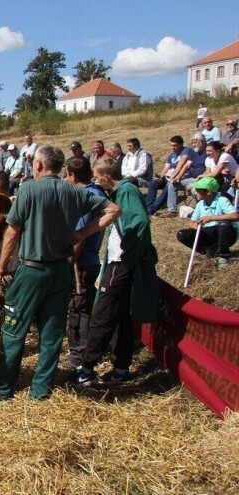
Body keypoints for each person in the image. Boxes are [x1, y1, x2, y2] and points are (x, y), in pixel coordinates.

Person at [0, 146, 120, 401]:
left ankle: (3, 389)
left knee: (14, 328)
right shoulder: (75, 192)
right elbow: (114, 210)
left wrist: (2, 265)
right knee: (52, 332)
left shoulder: (27, 190)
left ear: (38, 165)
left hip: (31, 270)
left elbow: (13, 232)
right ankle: (41, 391)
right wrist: (82, 233)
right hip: (61, 270)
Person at [71, 157, 159, 387]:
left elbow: (139, 222)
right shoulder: (118, 194)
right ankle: (121, 368)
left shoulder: (127, 190)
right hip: (117, 263)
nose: (95, 179)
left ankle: (86, 369)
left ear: (107, 176)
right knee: (120, 316)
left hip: (121, 264)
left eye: (97, 175)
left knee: (102, 315)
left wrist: (127, 256)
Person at [63, 157, 107, 370]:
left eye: (66, 174)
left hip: (81, 262)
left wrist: (70, 261)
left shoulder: (85, 196)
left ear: (72, 175)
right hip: (91, 258)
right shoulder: (98, 193)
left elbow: (79, 236)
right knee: (85, 306)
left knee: (78, 307)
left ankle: (78, 355)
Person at [176, 177, 238, 269]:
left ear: (208, 192)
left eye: (198, 190)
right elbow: (191, 223)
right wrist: (195, 226)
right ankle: (212, 252)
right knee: (182, 234)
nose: (195, 192)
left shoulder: (222, 200)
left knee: (224, 224)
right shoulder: (200, 204)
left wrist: (211, 218)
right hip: (208, 232)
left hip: (226, 233)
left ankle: (223, 256)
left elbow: (235, 216)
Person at [147, 136, 193, 217]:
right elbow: (166, 168)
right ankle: (148, 206)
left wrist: (173, 177)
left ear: (181, 144)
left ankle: (151, 209)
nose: (173, 147)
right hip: (169, 177)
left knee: (168, 187)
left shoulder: (186, 151)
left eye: (175, 145)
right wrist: (160, 176)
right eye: (171, 145)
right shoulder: (171, 155)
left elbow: (182, 163)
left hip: (180, 177)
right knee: (153, 183)